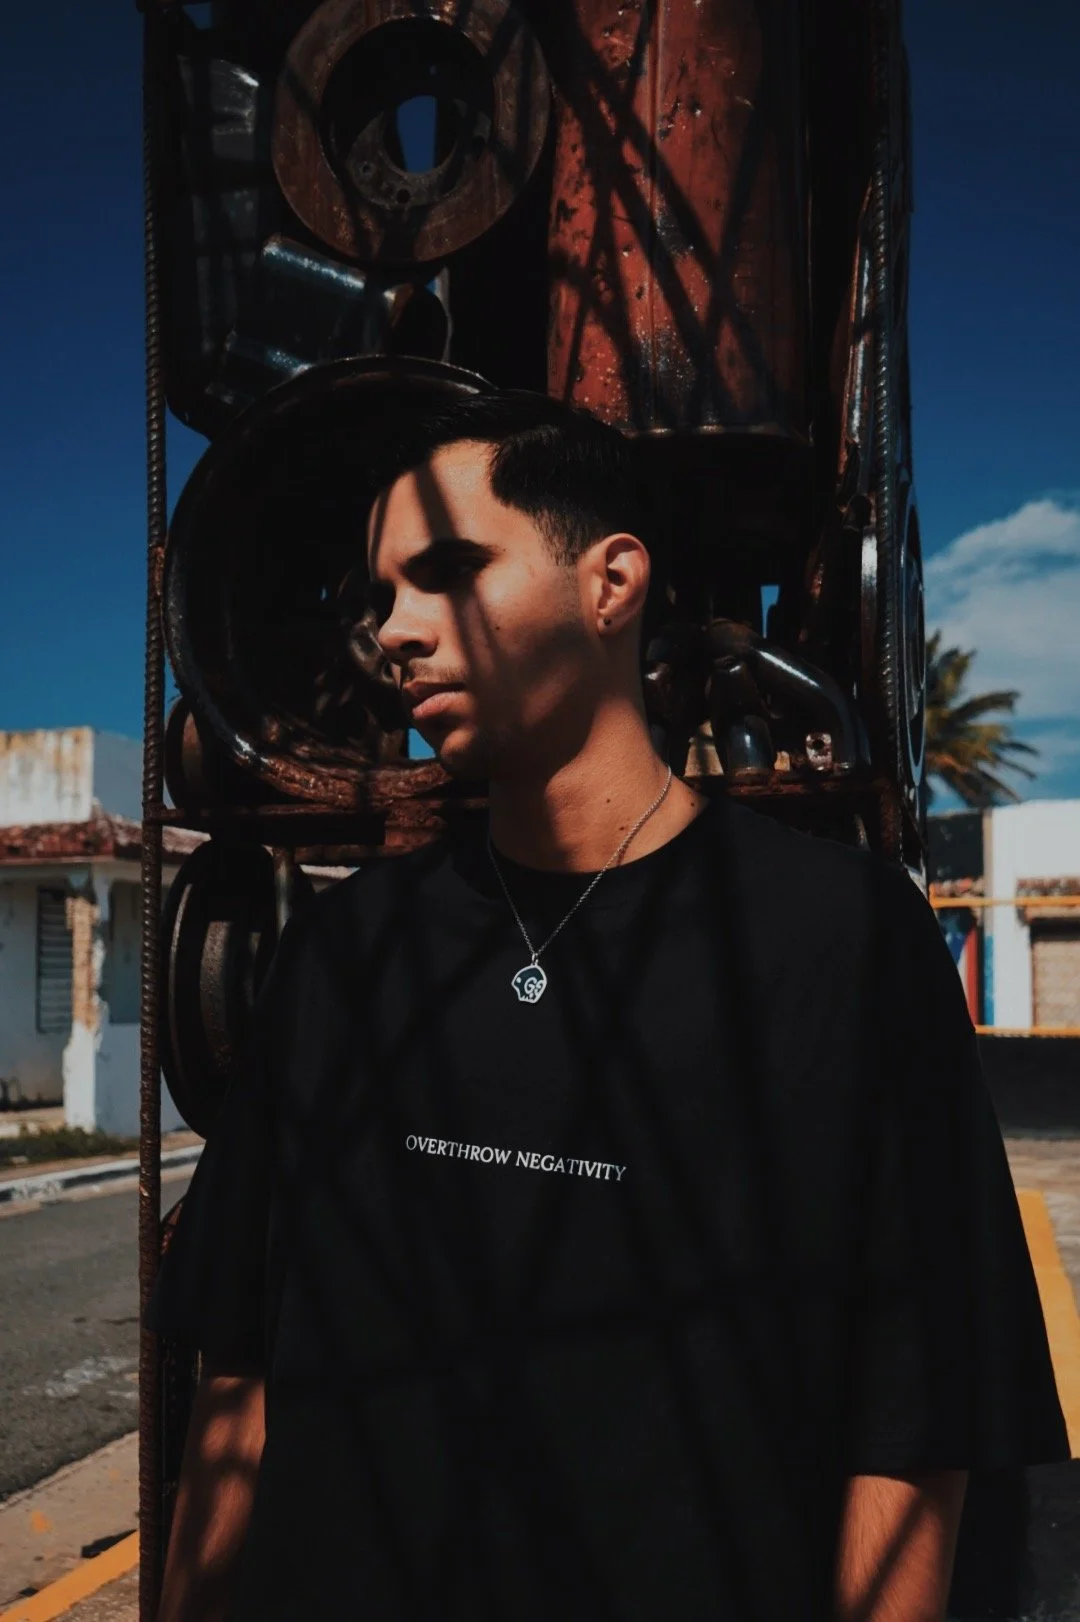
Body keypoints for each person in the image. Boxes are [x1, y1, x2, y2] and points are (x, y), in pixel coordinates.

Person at [149, 393, 1068, 1622]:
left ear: (612, 581)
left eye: (448, 570)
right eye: (379, 600)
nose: (395, 634)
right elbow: (240, 1379)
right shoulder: (344, 952)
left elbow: (913, 1420)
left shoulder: (842, 939)